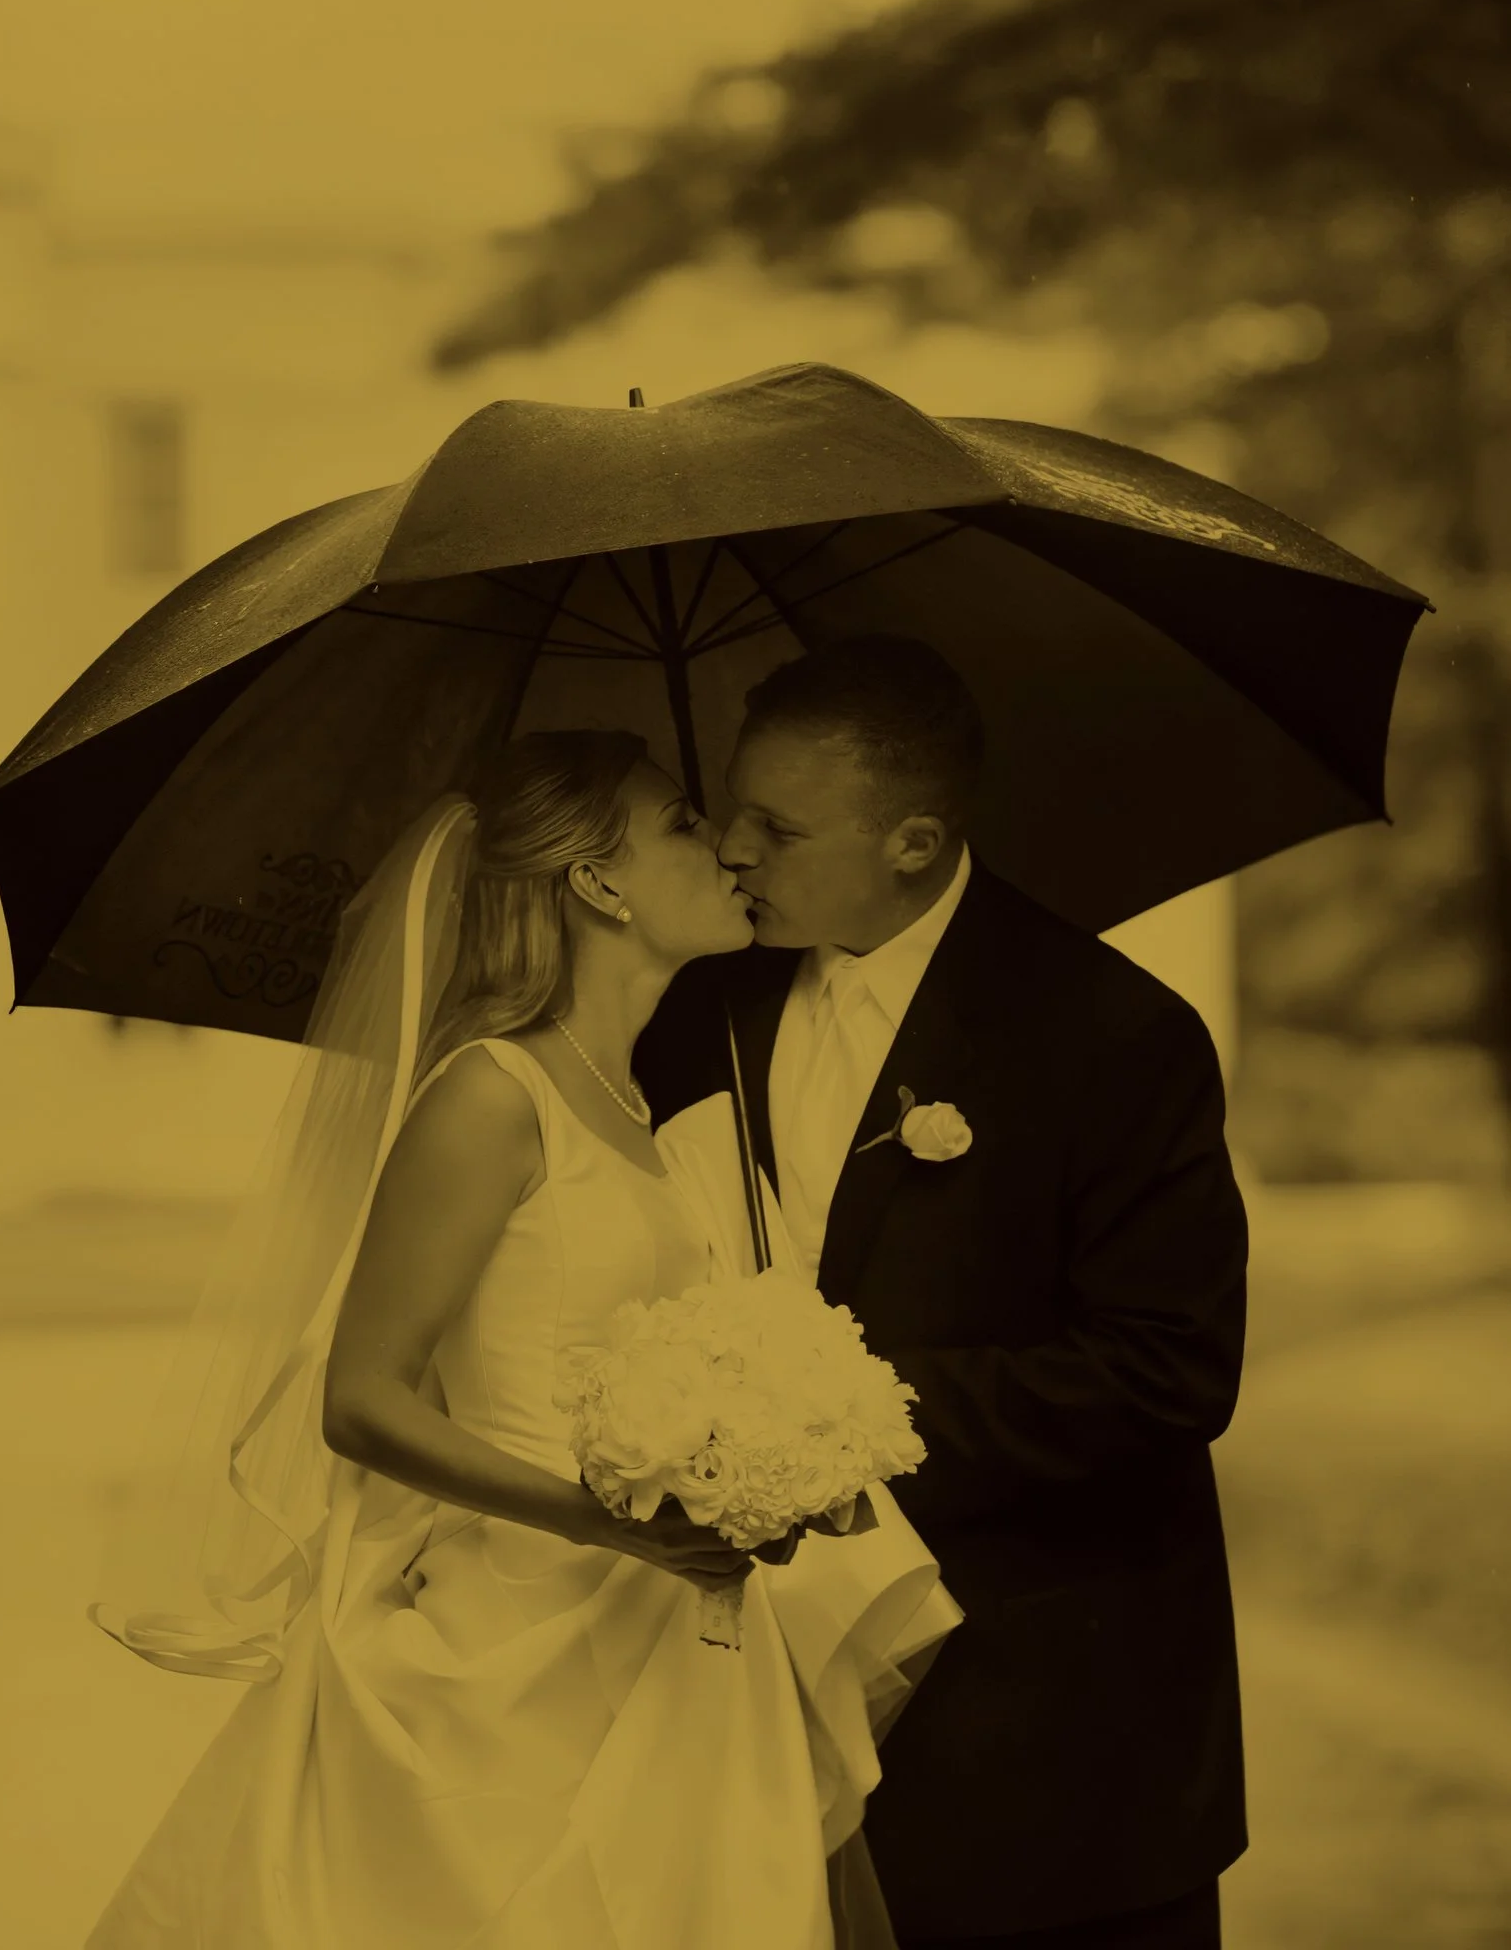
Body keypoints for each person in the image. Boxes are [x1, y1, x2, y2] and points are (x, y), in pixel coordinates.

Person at [87, 729, 959, 1948]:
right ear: (597, 884)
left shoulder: (643, 1106)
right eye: (679, 824)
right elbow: (363, 1396)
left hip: (661, 1615)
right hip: (508, 1630)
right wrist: (610, 1520)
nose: (720, 846)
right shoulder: (489, 1094)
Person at [634, 635, 1248, 1950]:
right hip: (748, 1705)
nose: (733, 850)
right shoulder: (698, 1008)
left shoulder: (1111, 1034)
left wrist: (833, 1417)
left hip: (1049, 1731)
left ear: (912, 842)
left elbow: (1169, 1370)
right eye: (731, 808)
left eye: (776, 827)